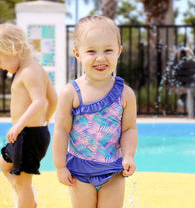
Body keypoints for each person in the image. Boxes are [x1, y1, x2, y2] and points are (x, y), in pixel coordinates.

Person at [52, 16, 138, 208]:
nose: (100, 58)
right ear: (77, 54)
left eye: (108, 50)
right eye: (91, 51)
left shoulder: (125, 94)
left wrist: (129, 155)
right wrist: (60, 166)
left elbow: (129, 130)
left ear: (119, 52)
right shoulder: (71, 93)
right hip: (80, 171)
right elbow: (61, 131)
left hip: (114, 170)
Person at [0, 23, 57, 208]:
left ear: (12, 49)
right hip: (31, 134)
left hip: (28, 135)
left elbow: (39, 101)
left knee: (24, 184)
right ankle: (28, 202)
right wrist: (47, 120)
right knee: (4, 163)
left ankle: (26, 202)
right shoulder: (35, 69)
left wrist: (19, 125)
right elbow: (54, 99)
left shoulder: (29, 71)